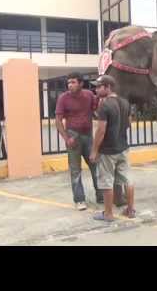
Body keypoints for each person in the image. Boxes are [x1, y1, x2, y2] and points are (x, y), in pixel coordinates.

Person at [89, 75, 135, 222]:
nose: (96, 89)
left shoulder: (105, 105)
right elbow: (129, 123)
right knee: (127, 179)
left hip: (108, 150)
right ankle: (130, 209)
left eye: (98, 86)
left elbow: (101, 130)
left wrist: (94, 150)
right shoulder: (125, 103)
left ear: (108, 87)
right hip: (123, 148)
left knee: (106, 181)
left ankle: (108, 214)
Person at [55, 72, 103, 210]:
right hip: (73, 136)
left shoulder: (88, 95)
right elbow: (58, 120)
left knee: (95, 165)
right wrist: (66, 138)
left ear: (81, 83)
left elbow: (96, 109)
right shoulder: (63, 98)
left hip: (88, 136)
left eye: (73, 82)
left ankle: (100, 195)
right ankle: (79, 200)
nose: (70, 85)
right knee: (75, 170)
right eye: (69, 82)